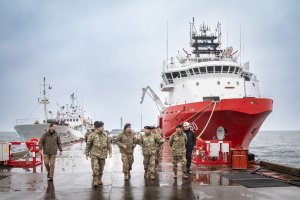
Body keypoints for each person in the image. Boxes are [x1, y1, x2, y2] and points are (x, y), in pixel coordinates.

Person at [85, 121, 112, 187]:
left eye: (103, 126)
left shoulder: (105, 134)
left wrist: (110, 152)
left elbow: (109, 144)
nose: (103, 128)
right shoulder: (92, 135)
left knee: (101, 168)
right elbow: (88, 144)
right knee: (95, 168)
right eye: (101, 127)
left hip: (103, 155)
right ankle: (95, 180)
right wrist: (87, 153)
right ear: (97, 128)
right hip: (94, 154)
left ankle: (99, 178)